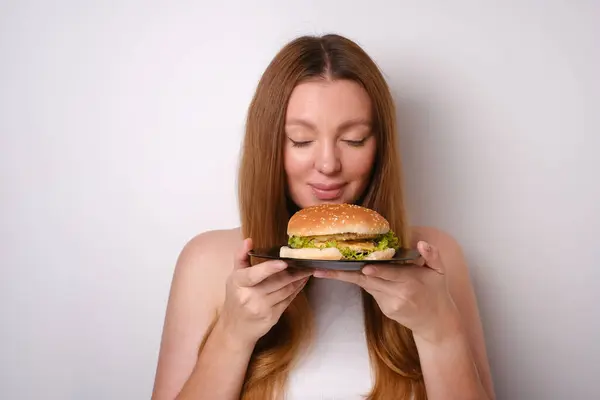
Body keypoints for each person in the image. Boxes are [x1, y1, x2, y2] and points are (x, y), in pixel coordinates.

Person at [151, 33, 495, 400]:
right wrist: (231, 337)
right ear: (269, 146)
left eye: (355, 139)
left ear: (380, 147)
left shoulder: (433, 258)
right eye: (300, 140)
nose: (329, 165)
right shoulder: (206, 261)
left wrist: (440, 332)